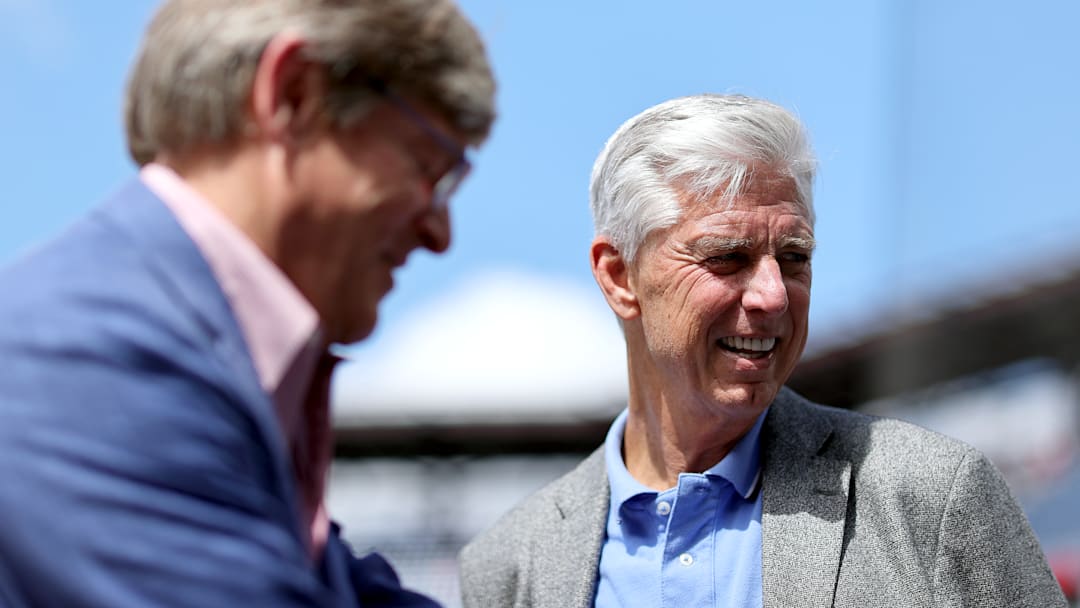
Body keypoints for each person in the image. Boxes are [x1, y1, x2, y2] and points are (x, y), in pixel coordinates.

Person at [458, 94, 1066, 607]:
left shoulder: (929, 496)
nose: (774, 295)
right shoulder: (511, 566)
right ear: (619, 277)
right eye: (727, 257)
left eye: (795, 258)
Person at [0, 0, 494, 606]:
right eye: (430, 169)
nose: (440, 235)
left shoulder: (173, 352)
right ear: (294, 95)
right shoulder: (89, 358)